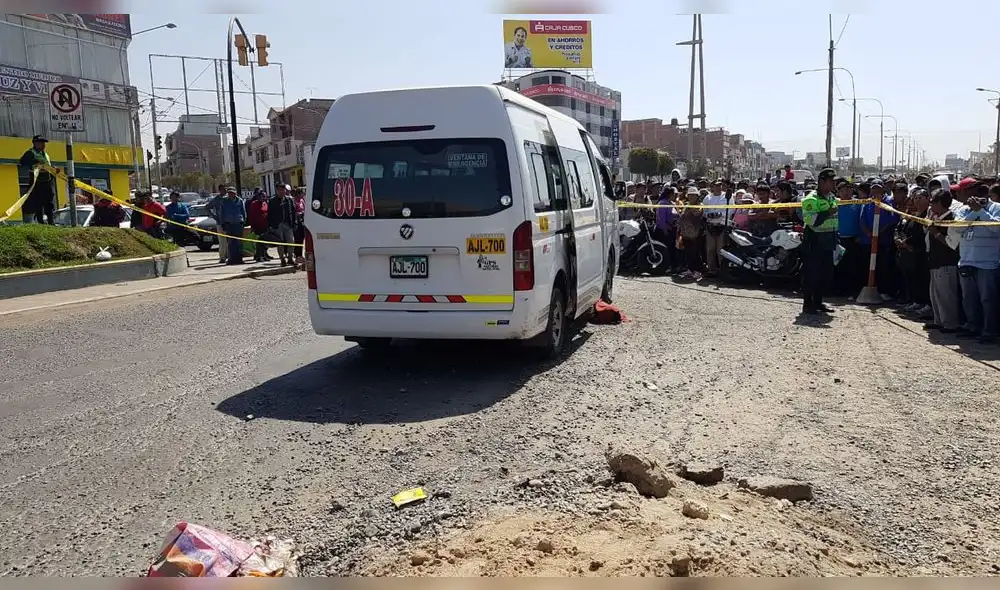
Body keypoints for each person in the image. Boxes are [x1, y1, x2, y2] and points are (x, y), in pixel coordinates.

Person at [955, 182, 1000, 343]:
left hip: (988, 262)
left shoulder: (996, 208)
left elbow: (996, 228)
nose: (974, 199)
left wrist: (980, 211)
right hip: (967, 259)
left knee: (988, 299)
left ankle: (989, 331)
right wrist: (974, 212)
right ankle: (972, 326)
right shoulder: (964, 209)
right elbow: (957, 228)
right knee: (969, 298)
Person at [799, 168, 839, 315]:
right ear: (822, 181)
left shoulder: (831, 197)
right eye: (831, 181)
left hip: (829, 240)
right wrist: (828, 212)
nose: (834, 184)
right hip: (814, 241)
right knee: (812, 274)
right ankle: (808, 304)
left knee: (825, 274)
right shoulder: (811, 199)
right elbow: (811, 220)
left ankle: (818, 302)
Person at [925, 189, 962, 333]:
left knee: (947, 294)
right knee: (935, 294)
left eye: (933, 202)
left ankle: (950, 323)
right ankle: (939, 320)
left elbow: (952, 244)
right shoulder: (935, 218)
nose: (930, 205)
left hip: (946, 262)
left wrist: (936, 233)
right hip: (934, 260)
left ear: (941, 203)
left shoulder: (951, 219)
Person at [859, 181, 900, 301]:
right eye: (874, 189)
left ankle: (884, 291)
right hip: (868, 241)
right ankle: (870, 287)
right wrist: (869, 233)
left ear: (883, 190)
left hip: (883, 241)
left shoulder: (888, 202)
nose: (876, 192)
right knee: (868, 266)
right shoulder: (867, 202)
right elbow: (862, 220)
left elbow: (892, 219)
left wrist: (878, 232)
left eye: (878, 189)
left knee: (884, 266)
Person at [895, 188, 931, 318]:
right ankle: (916, 301)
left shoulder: (928, 214)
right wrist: (898, 239)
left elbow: (920, 234)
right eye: (915, 198)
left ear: (927, 199)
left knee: (922, 278)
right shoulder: (911, 214)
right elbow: (901, 228)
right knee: (912, 278)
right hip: (907, 252)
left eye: (920, 198)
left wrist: (908, 242)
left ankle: (926, 303)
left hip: (920, 251)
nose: (917, 200)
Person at [18, 135, 57, 224]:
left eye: (44, 143)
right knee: (38, 201)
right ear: (35, 143)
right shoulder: (30, 153)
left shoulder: (45, 154)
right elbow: (22, 161)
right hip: (37, 181)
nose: (43, 145)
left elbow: (48, 165)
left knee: (49, 202)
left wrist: (54, 169)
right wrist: (35, 162)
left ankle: (51, 221)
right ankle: (40, 221)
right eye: (41, 143)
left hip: (47, 181)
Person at [700, 179, 730, 277]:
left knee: (721, 250)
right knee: (710, 249)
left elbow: (731, 210)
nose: (717, 187)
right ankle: (711, 270)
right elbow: (704, 211)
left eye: (719, 185)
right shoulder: (707, 198)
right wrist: (709, 215)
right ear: (712, 187)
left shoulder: (727, 196)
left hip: (722, 225)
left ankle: (723, 270)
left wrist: (720, 214)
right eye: (715, 185)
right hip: (710, 225)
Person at [268, 184, 298, 267]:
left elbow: (293, 212)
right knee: (280, 243)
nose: (281, 192)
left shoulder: (289, 200)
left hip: (288, 224)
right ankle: (282, 260)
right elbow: (270, 214)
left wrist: (294, 222)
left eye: (283, 190)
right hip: (277, 225)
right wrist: (271, 226)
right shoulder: (272, 201)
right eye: (279, 190)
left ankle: (290, 259)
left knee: (291, 241)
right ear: (276, 191)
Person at [677, 186, 704, 281]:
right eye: (690, 195)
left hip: (695, 234)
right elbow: (682, 218)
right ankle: (690, 269)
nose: (691, 197)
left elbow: (696, 217)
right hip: (685, 233)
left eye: (693, 195)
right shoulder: (686, 205)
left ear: (697, 196)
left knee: (695, 253)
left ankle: (697, 271)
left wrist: (688, 212)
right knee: (688, 252)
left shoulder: (700, 206)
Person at [217, 187, 247, 265]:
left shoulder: (240, 200)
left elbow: (243, 212)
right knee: (230, 243)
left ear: (235, 193)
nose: (231, 194)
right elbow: (222, 213)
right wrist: (222, 223)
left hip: (238, 223)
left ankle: (239, 259)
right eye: (229, 193)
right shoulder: (224, 201)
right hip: (229, 224)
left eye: (232, 193)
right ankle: (231, 259)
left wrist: (243, 222)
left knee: (239, 242)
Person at [247, 190, 271, 262]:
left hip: (265, 225)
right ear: (258, 196)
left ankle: (264, 255)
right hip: (257, 226)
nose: (263, 197)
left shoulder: (265, 203)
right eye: (262, 196)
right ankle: (258, 256)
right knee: (259, 241)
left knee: (265, 241)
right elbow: (251, 215)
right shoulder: (254, 204)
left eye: (264, 196)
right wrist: (252, 226)